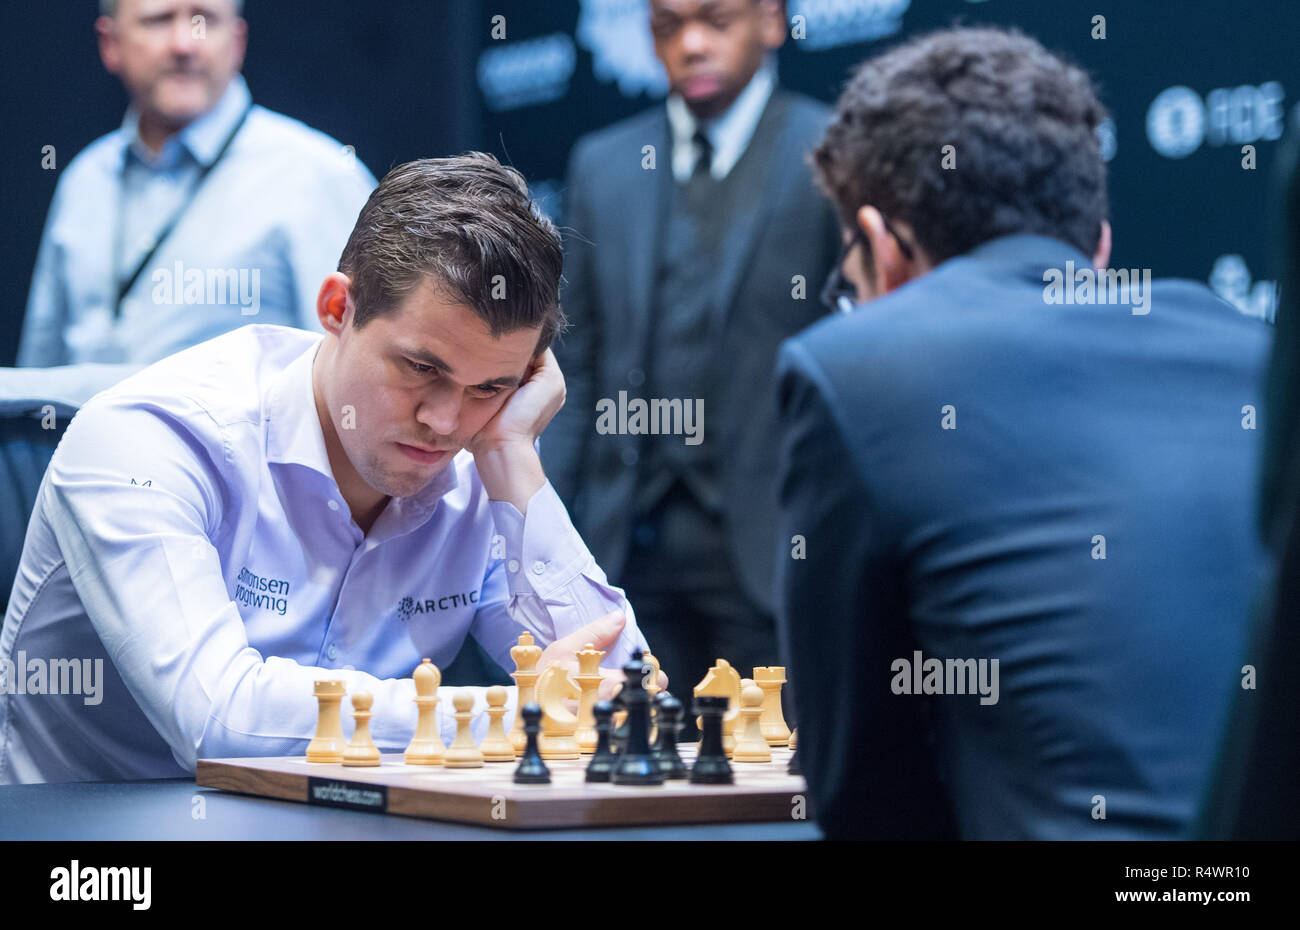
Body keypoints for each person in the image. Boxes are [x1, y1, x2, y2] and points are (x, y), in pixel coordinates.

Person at [0, 154, 653, 785]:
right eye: (422, 369)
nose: (446, 422)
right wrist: (521, 715)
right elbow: (216, 722)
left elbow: (629, 703)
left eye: (491, 387)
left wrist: (513, 457)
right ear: (337, 308)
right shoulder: (147, 439)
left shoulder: (481, 458)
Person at [775, 27, 1271, 839]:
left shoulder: (854, 370)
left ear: (882, 247)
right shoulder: (1256, 354)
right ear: (1100, 248)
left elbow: (861, 801)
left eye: (852, 284)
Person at [542, 0, 839, 721]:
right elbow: (574, 370)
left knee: (772, 795)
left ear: (771, 21)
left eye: (717, 20)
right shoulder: (604, 164)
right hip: (627, 554)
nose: (693, 44)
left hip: (770, 552)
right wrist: (547, 537)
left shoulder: (829, 153)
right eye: (669, 27)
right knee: (627, 797)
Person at [17, 0, 375, 368]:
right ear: (110, 44)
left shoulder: (320, 176)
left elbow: (359, 372)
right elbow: (37, 383)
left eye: (206, 21)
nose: (185, 44)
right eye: (158, 20)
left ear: (238, 43)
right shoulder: (85, 179)